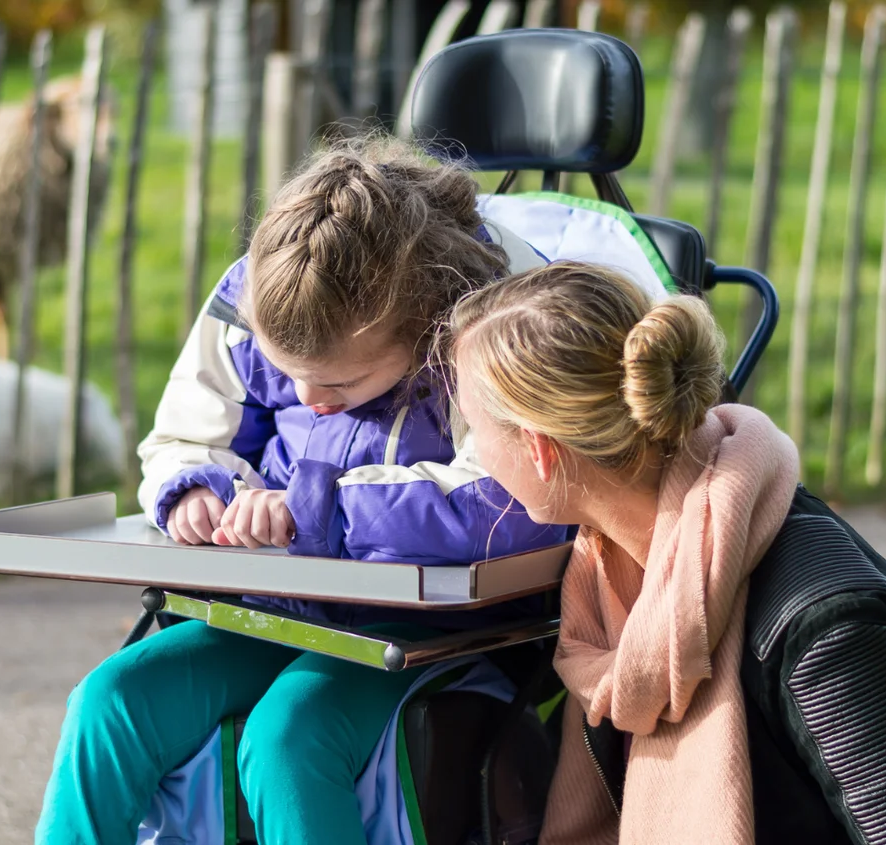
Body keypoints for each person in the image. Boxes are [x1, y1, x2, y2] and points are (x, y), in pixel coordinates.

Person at [33, 136, 580, 845]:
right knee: (111, 701)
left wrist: (313, 510)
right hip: (278, 609)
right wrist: (196, 491)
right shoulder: (269, 286)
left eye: (341, 383)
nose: (306, 397)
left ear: (424, 330)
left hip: (437, 635)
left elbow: (513, 499)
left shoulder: (497, 319)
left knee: (292, 737)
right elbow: (185, 435)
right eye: (286, 371)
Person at [447, 260, 886, 845]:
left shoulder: (823, 628)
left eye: (473, 425)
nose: (471, 449)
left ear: (539, 450)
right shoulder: (607, 581)